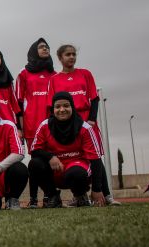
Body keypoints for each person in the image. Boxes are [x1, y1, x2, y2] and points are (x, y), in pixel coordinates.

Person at [48, 44, 121, 206]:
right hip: (66, 124)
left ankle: (106, 195)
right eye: (68, 54)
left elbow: (94, 98)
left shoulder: (85, 74)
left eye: (74, 54)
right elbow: (51, 105)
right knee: (74, 159)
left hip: (86, 123)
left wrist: (92, 120)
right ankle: (80, 196)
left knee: (96, 158)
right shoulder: (54, 79)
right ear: (60, 58)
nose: (72, 57)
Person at [29, 92, 106, 208]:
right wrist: (50, 157)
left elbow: (96, 160)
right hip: (56, 170)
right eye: (57, 106)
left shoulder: (85, 128)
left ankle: (80, 196)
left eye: (66, 105)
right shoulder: (45, 126)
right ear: (52, 109)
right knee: (34, 164)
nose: (62, 110)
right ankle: (53, 196)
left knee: (76, 173)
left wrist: (97, 189)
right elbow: (34, 150)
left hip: (77, 169)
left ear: (72, 107)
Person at [15, 38, 56, 208]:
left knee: (48, 161)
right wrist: (20, 126)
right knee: (36, 161)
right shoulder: (23, 74)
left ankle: (49, 195)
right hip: (32, 124)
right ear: (33, 50)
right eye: (41, 47)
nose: (45, 49)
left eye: (47, 47)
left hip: (51, 125)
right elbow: (18, 102)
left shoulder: (54, 74)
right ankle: (33, 199)